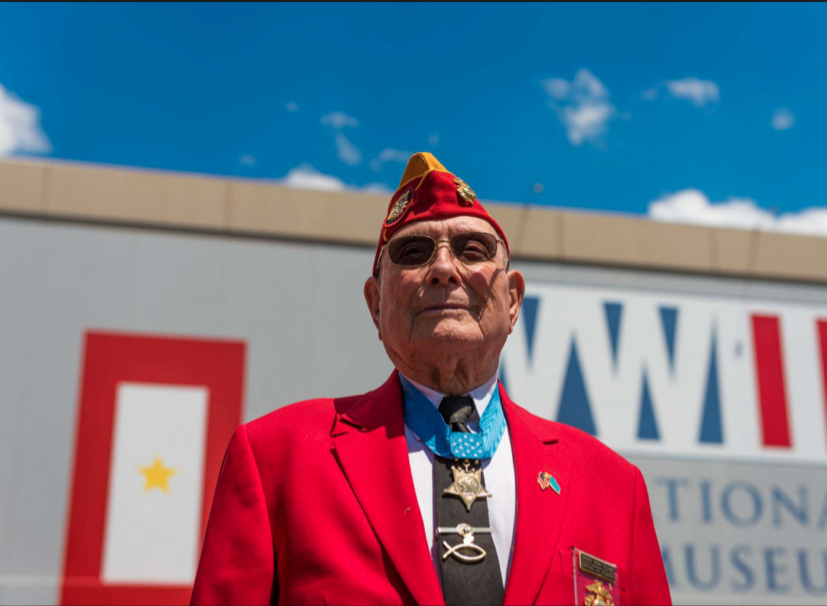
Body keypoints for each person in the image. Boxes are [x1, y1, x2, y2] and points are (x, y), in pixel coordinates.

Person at [190, 153, 672, 605]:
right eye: (415, 252)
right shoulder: (278, 457)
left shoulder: (613, 488)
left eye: (472, 249)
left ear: (513, 301)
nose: (443, 268)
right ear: (374, 304)